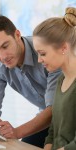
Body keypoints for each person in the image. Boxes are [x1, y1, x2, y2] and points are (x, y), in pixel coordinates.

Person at [0, 14, 61, 148]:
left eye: (5, 46)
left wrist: (16, 132)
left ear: (17, 35)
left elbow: (55, 109)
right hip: (48, 118)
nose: (2, 57)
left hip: (66, 114)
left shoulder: (44, 53)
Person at [32, 7, 76, 150]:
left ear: (63, 48)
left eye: (43, 53)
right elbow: (53, 130)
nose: (39, 60)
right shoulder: (60, 80)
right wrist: (48, 146)